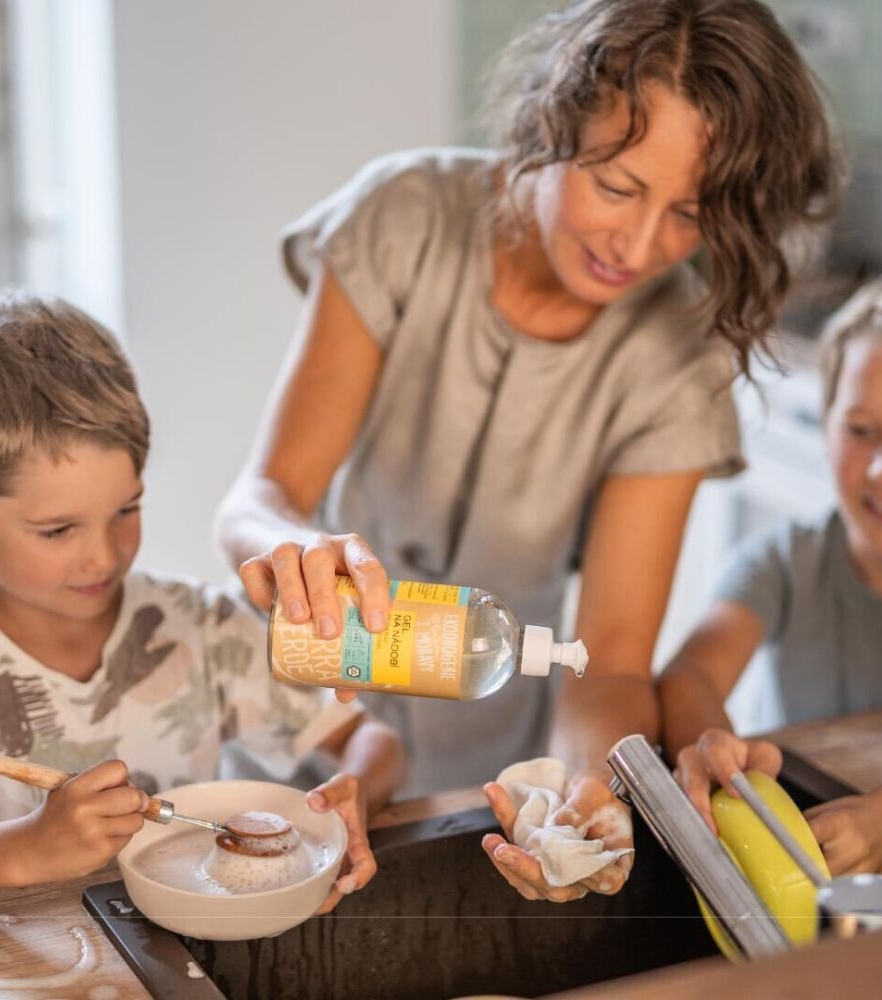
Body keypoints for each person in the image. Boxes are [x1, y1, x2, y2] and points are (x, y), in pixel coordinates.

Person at [215, 0, 839, 902]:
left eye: (687, 214)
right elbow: (262, 495)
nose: (640, 245)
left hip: (485, 781)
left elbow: (609, 660)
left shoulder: (677, 357)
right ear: (552, 122)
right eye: (617, 187)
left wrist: (588, 790)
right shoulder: (405, 215)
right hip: (299, 735)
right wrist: (291, 549)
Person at [0, 292, 405, 901]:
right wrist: (24, 849)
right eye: (58, 530)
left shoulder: (201, 627)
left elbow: (373, 740)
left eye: (127, 509)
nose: (104, 556)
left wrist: (356, 792)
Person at [662, 258, 882, 876]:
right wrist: (710, 748)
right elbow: (690, 674)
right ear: (824, 425)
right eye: (860, 429)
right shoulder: (782, 562)